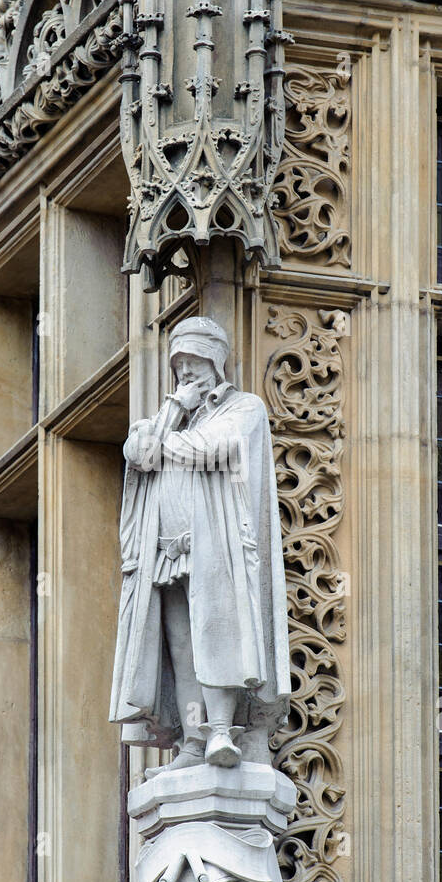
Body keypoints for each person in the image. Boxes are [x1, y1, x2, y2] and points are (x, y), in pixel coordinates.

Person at [109, 315, 290, 772]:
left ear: (215, 362)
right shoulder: (164, 417)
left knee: (216, 631)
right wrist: (172, 410)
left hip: (216, 546)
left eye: (194, 361)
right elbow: (141, 455)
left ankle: (223, 733)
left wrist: (162, 435)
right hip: (165, 550)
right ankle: (192, 740)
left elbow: (210, 448)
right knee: (180, 643)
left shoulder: (243, 409)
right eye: (179, 363)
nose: (186, 371)